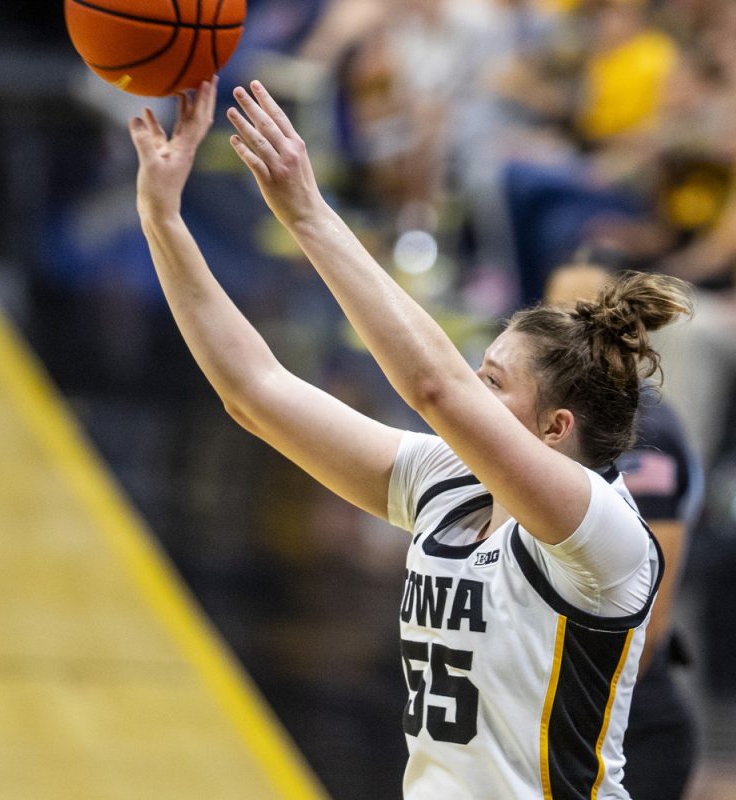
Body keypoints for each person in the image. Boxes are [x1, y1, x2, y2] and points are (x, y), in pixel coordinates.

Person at [128, 77, 693, 798]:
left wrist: (309, 215)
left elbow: (434, 388)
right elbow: (255, 393)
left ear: (556, 429)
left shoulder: (602, 533)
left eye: (494, 382)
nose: (472, 389)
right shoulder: (447, 480)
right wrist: (163, 221)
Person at [546, 260, 702, 800]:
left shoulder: (648, 433)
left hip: (630, 726)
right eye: (553, 311)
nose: (560, 326)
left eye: (578, 314)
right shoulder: (559, 411)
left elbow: (649, 612)